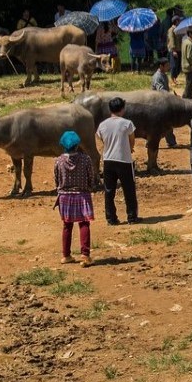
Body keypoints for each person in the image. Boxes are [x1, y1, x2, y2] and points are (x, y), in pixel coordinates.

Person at [54, 130, 95, 267]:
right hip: (82, 195)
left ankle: (66, 255)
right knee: (84, 223)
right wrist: (89, 187)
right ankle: (85, 255)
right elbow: (91, 177)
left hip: (64, 196)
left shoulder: (59, 160)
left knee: (67, 225)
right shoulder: (86, 159)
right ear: (77, 145)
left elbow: (57, 179)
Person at [97, 97, 138, 225]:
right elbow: (132, 138)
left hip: (108, 160)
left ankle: (111, 219)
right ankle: (132, 217)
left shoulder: (102, 125)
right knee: (129, 189)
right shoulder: (127, 123)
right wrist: (130, 148)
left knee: (109, 191)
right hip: (124, 160)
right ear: (122, 109)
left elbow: (100, 138)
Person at [150, 57, 178, 148]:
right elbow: (160, 90)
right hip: (158, 103)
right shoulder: (157, 77)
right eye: (167, 66)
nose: (168, 67)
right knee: (165, 123)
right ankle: (170, 142)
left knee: (165, 124)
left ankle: (170, 142)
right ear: (161, 66)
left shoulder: (164, 75)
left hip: (164, 102)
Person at [166, 12, 183, 85]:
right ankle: (172, 78)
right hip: (174, 50)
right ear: (176, 21)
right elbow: (171, 40)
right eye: (179, 21)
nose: (180, 22)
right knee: (174, 65)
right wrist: (173, 50)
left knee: (178, 65)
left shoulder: (177, 29)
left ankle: (175, 78)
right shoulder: (171, 30)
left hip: (179, 49)